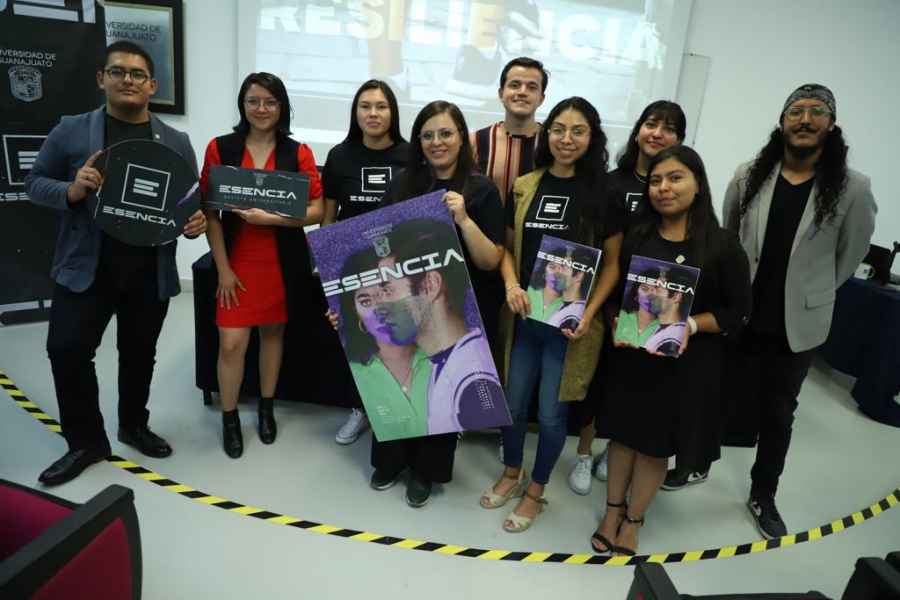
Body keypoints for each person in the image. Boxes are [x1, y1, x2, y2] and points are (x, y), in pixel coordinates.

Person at [25, 41, 207, 485]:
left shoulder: (176, 141)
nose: (128, 79)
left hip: (148, 270)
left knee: (139, 353)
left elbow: (187, 201)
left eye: (137, 74)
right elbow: (34, 182)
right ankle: (86, 441)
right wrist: (71, 191)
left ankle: (133, 424)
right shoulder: (72, 130)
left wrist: (194, 221)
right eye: (118, 71)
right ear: (101, 79)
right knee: (67, 350)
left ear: (152, 85)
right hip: (86, 267)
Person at [718, 84, 876, 538]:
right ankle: (695, 464)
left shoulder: (853, 187)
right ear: (782, 121)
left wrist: (812, 292)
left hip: (797, 325)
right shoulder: (749, 175)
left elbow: (851, 254)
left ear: (832, 124)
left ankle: (763, 494)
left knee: (778, 413)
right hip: (742, 314)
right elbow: (730, 234)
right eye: (796, 111)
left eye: (817, 111)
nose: (805, 119)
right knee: (717, 395)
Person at [592, 145, 751, 556]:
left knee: (654, 446)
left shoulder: (722, 245)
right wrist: (615, 320)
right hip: (631, 359)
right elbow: (617, 293)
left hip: (683, 365)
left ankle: (634, 519)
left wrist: (691, 325)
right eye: (656, 180)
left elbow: (737, 311)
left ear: (698, 184)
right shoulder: (638, 236)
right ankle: (611, 511)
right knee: (622, 438)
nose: (663, 188)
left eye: (675, 178)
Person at [480, 97, 624, 532]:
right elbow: (507, 249)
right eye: (559, 129)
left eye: (578, 131)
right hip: (525, 318)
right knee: (512, 403)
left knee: (550, 415)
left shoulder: (605, 194)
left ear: (592, 137)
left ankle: (536, 492)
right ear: (547, 134)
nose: (566, 138)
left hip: (569, 328)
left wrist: (589, 314)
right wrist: (511, 285)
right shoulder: (526, 184)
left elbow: (612, 265)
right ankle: (512, 472)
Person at [200, 72, 323, 459]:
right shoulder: (220, 148)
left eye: (270, 101)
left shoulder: (298, 152)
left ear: (282, 106)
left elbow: (317, 210)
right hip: (236, 262)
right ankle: (230, 417)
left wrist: (270, 218)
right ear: (243, 105)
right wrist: (223, 269)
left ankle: (267, 407)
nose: (261, 109)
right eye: (253, 101)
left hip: (281, 262)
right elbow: (210, 212)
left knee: (272, 335)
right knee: (231, 343)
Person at [570, 100, 687, 496]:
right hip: (606, 300)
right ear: (638, 130)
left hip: (652, 310)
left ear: (679, 140)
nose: (658, 133)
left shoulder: (675, 189)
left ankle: (612, 449)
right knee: (596, 382)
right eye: (652, 124)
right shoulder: (610, 183)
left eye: (669, 128)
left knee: (633, 387)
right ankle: (583, 453)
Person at [365, 219, 508, 508]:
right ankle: (395, 462)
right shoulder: (420, 357)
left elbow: (492, 256)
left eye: (388, 289)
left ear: (430, 285)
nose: (379, 305)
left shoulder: (469, 379)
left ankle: (425, 471)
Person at [322, 79, 409, 445]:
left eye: (381, 106)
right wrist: (327, 267)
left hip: (397, 267)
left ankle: (400, 408)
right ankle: (360, 409)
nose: (373, 114)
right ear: (355, 113)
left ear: (393, 113)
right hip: (351, 267)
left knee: (396, 339)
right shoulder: (340, 156)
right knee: (356, 339)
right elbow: (328, 217)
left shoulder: (410, 155)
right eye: (365, 106)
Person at [381, 100, 506, 348]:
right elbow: (376, 246)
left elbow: (490, 262)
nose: (436, 142)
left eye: (445, 133)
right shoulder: (400, 185)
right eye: (427, 136)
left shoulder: (482, 189)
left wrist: (464, 220)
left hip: (469, 319)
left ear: (461, 137)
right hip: (412, 317)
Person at [329, 247, 432, 443]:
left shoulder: (440, 357)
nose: (380, 310)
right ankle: (362, 413)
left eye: (386, 292)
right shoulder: (357, 367)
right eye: (365, 301)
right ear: (355, 311)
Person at [470, 57, 548, 205]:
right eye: (514, 85)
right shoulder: (475, 142)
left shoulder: (553, 143)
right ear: (501, 93)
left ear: (541, 98)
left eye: (532, 87)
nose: (522, 92)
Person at [611, 266, 664, 348]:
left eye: (656, 289)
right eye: (645, 289)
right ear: (636, 295)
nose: (650, 295)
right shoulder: (621, 316)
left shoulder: (666, 327)